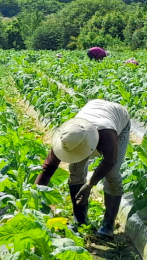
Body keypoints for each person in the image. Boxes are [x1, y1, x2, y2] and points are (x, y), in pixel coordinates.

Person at [35, 99, 130, 238]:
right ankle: (80, 220)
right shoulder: (67, 136)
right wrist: (33, 200)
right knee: (75, 170)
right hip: (91, 112)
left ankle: (108, 225)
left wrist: (89, 184)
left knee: (112, 173)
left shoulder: (107, 134)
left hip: (117, 119)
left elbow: (110, 162)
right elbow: (47, 169)